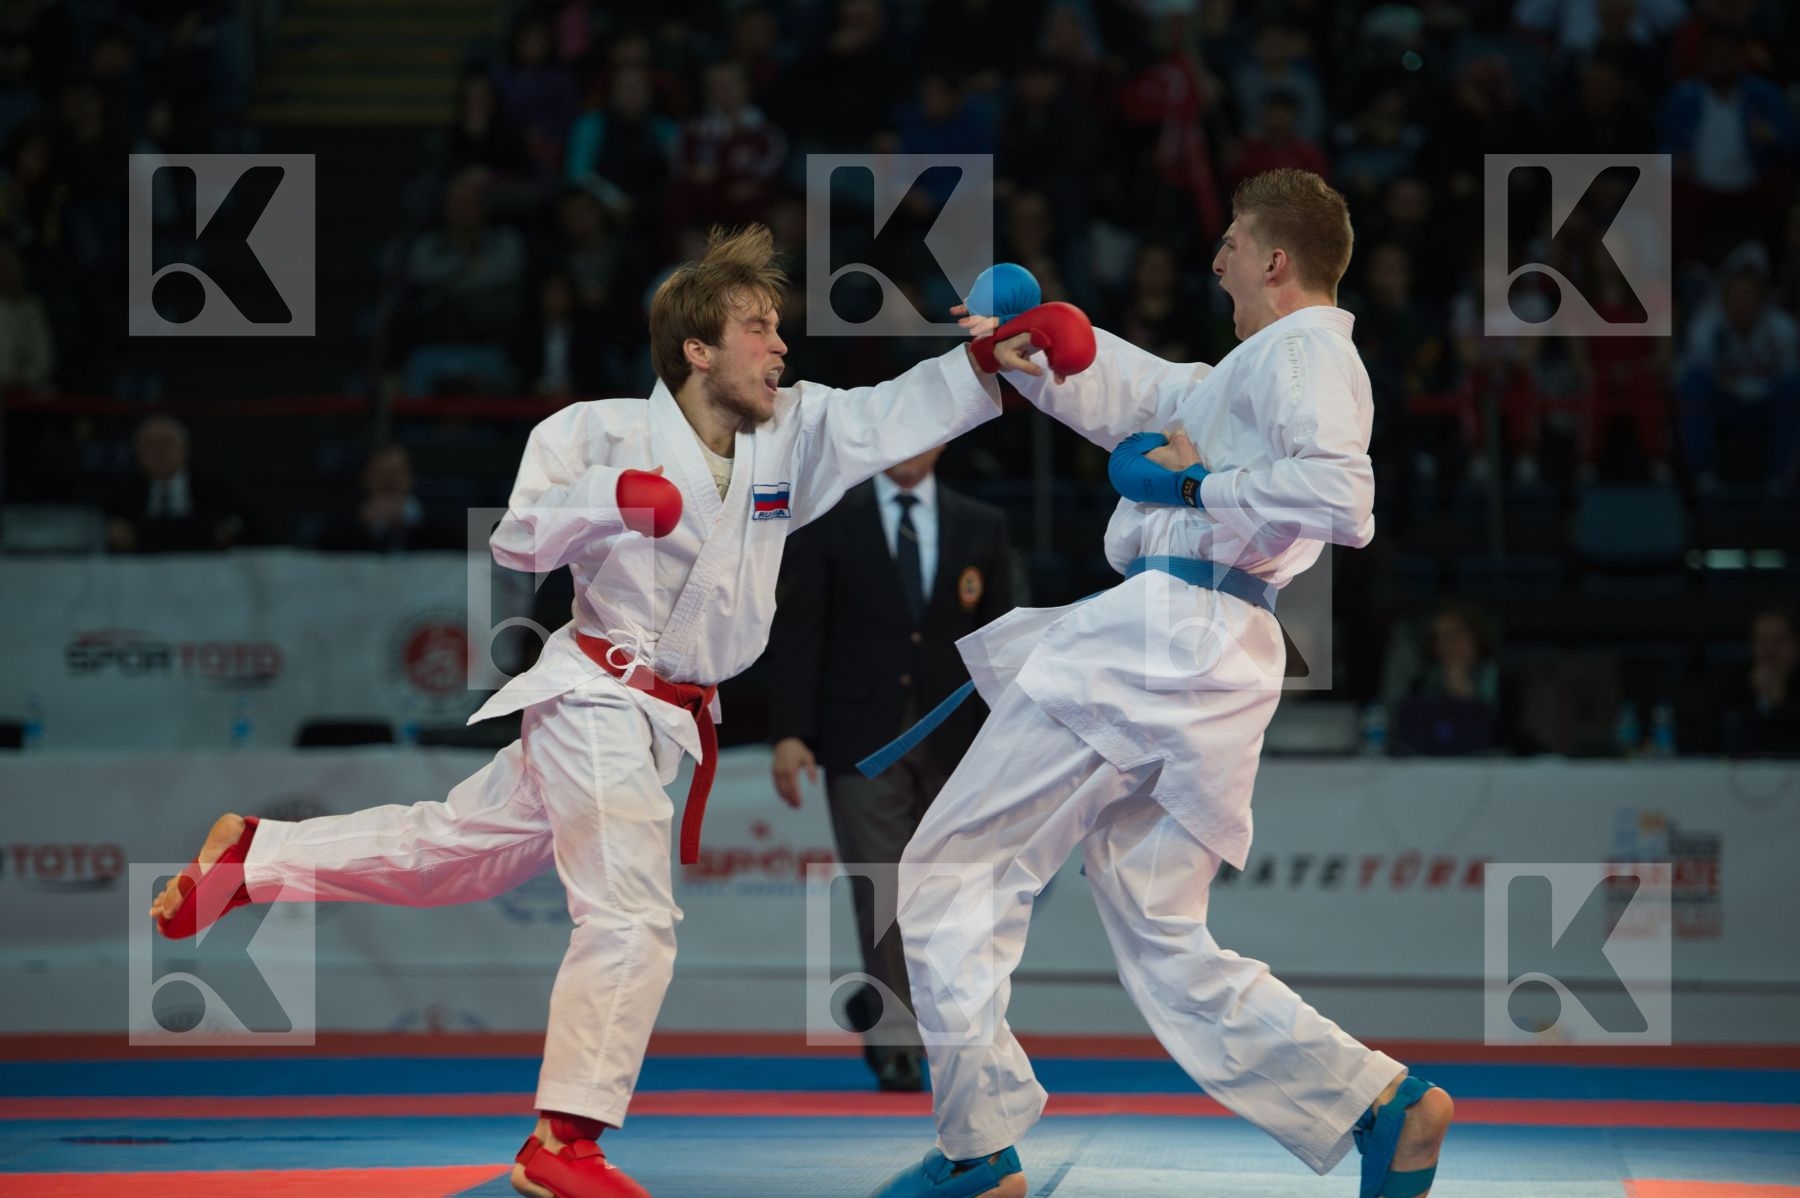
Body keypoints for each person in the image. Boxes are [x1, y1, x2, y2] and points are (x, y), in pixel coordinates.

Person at [148, 225, 1091, 1198]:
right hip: (595, 690)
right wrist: (612, 499)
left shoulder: (793, 432)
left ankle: (254, 858)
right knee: (633, 910)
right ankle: (565, 1137)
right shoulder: (592, 433)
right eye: (758, 328)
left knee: (450, 857)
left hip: (669, 717)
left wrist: (985, 359)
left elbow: (894, 413)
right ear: (695, 348)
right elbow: (517, 540)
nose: (781, 347)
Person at [872, 170, 1452, 1198]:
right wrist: (1046, 339)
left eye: (1232, 239)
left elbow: (1341, 496)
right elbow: (1147, 393)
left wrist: (1191, 484)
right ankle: (1378, 1102)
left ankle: (979, 1151)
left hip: (1160, 647)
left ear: (1276, 258)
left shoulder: (1309, 350)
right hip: (1209, 661)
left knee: (952, 871)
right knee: (1163, 935)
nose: (1217, 255)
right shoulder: (1254, 367)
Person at [766, 444, 1014, 1092]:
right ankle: (897, 1039)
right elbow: (799, 632)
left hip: (959, 738)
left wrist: (1013, 737)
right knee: (881, 886)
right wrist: (791, 733)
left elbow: (1003, 639)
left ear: (943, 441)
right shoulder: (828, 521)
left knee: (951, 893)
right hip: (861, 735)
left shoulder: (980, 525)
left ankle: (953, 1033)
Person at [102, 414, 245, 554]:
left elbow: (242, 522)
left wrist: (230, 529)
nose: (159, 452)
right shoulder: (121, 495)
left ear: (185, 449)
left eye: (167, 443)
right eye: (150, 445)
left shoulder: (214, 489)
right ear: (137, 454)